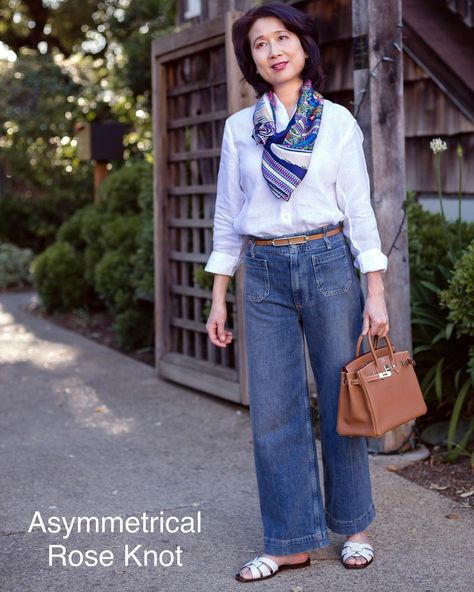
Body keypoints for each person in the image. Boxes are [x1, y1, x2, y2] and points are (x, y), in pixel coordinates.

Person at [204, 1, 389, 583]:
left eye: (282, 37)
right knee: (274, 411)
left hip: (330, 261)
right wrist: (217, 295)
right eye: (259, 44)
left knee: (344, 402)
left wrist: (375, 290)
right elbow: (229, 217)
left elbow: (359, 210)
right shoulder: (240, 129)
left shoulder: (336, 123)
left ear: (305, 48)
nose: (273, 50)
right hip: (261, 273)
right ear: (251, 61)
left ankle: (354, 525)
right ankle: (289, 540)